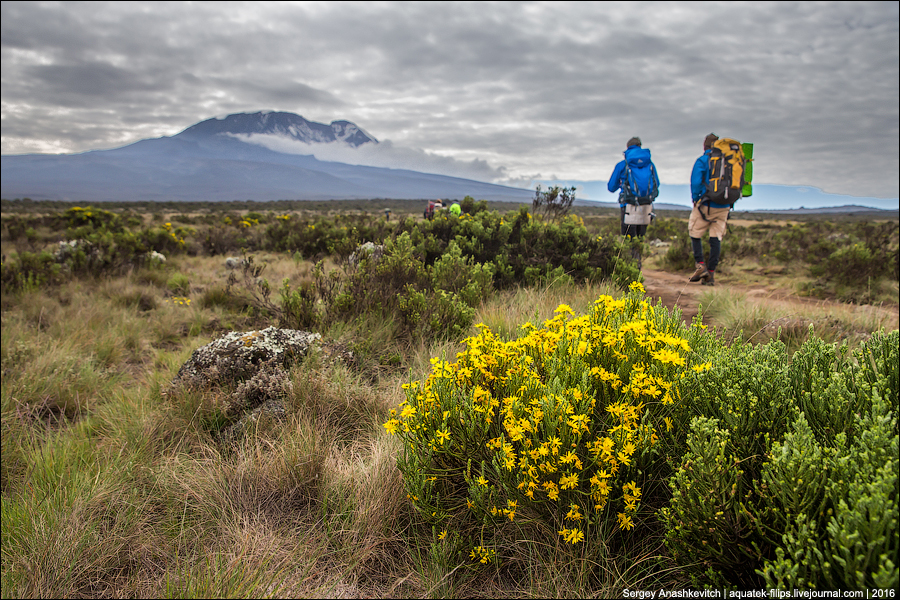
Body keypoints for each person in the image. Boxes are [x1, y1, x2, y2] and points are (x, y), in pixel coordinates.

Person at [607, 137, 659, 268]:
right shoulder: (650, 165)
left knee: (628, 240)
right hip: (646, 206)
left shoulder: (623, 165)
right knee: (639, 240)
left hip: (628, 207)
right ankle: (638, 265)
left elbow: (611, 187)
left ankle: (631, 269)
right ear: (640, 146)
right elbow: (656, 184)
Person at [688, 133, 730, 286]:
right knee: (715, 238)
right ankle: (711, 274)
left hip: (706, 204)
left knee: (694, 233)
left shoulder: (703, 160)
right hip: (724, 206)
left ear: (704, 146)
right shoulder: (728, 161)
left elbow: (696, 182)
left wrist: (695, 198)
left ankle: (701, 266)